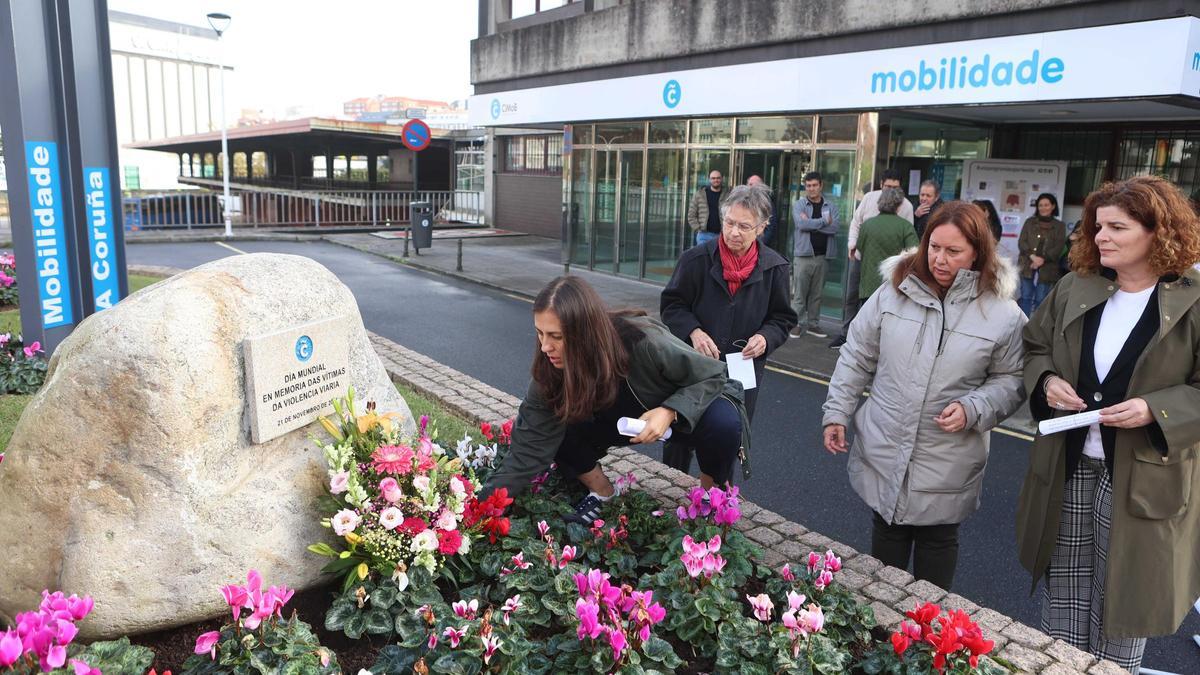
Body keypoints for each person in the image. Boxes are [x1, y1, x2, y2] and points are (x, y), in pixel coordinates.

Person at [1015, 175, 1200, 672]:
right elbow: (1033, 347)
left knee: (1126, 598)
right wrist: (1047, 380)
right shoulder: (1076, 286)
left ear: (1157, 232)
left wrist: (1153, 409)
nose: (1101, 237)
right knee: (1066, 596)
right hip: (1069, 463)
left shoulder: (1195, 298)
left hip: (1146, 477)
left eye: (1117, 227)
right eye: (1098, 227)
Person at [823, 201, 1025, 590]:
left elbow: (1013, 378)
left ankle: (929, 638)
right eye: (934, 246)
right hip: (886, 439)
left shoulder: (1004, 313)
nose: (939, 259)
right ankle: (883, 635)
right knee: (887, 537)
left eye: (954, 251)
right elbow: (857, 354)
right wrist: (836, 412)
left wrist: (974, 407)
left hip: (948, 452)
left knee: (937, 543)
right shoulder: (892, 291)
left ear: (978, 252)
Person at [481, 276, 750, 526]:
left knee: (724, 423)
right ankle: (603, 493)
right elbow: (527, 448)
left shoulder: (644, 340)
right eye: (540, 333)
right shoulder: (550, 368)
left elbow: (713, 374)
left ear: (584, 332)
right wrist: (478, 508)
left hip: (685, 411)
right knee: (556, 424)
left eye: (556, 336)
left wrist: (670, 410)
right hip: (621, 420)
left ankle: (710, 499)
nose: (544, 347)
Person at [660, 184, 796, 472]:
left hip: (741, 370)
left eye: (744, 226)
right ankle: (669, 500)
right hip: (692, 367)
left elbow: (783, 319)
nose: (734, 232)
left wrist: (765, 337)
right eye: (729, 223)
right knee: (679, 441)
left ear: (762, 228)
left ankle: (717, 507)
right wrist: (694, 331)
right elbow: (672, 305)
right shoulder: (695, 260)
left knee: (728, 441)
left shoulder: (775, 267)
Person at [832, 168, 914, 349]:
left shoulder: (906, 206)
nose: (891, 190)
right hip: (861, 257)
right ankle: (846, 335)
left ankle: (875, 342)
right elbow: (856, 222)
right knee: (851, 296)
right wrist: (852, 244)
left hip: (890, 265)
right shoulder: (869, 198)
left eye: (895, 187)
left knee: (884, 302)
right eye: (887, 186)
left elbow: (908, 244)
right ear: (880, 184)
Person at [788, 172, 839, 338]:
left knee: (817, 295)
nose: (811, 189)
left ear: (821, 185)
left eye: (814, 185)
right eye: (808, 186)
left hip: (823, 256)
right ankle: (796, 324)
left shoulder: (830, 206)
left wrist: (811, 223)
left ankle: (813, 325)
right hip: (803, 256)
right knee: (799, 295)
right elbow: (801, 224)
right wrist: (824, 222)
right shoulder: (799, 205)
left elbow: (835, 228)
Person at [855, 188, 918, 302]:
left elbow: (859, 247)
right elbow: (914, 253)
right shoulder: (906, 226)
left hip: (868, 285)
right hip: (893, 285)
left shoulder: (867, 225)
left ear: (879, 203)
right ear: (898, 206)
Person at [1017, 193, 1067, 316]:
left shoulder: (1060, 226)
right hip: (1027, 265)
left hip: (1048, 269)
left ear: (1053, 206)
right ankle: (1022, 326)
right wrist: (1033, 257)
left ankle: (1035, 330)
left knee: (1041, 299)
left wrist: (1041, 259)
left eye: (1046, 205)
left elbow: (1059, 247)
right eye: (1040, 205)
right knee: (1025, 297)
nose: (1043, 208)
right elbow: (1022, 242)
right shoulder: (1029, 222)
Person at [687, 169, 727, 247]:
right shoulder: (700, 194)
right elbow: (691, 215)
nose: (716, 180)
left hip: (722, 235)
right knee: (703, 258)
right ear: (709, 179)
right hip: (704, 235)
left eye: (718, 178)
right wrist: (698, 228)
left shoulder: (727, 194)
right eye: (713, 178)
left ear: (722, 179)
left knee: (718, 258)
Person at [746, 175, 779, 248]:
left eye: (752, 184)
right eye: (748, 184)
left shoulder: (767, 203)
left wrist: (760, 244)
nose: (749, 186)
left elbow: (771, 225)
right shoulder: (744, 201)